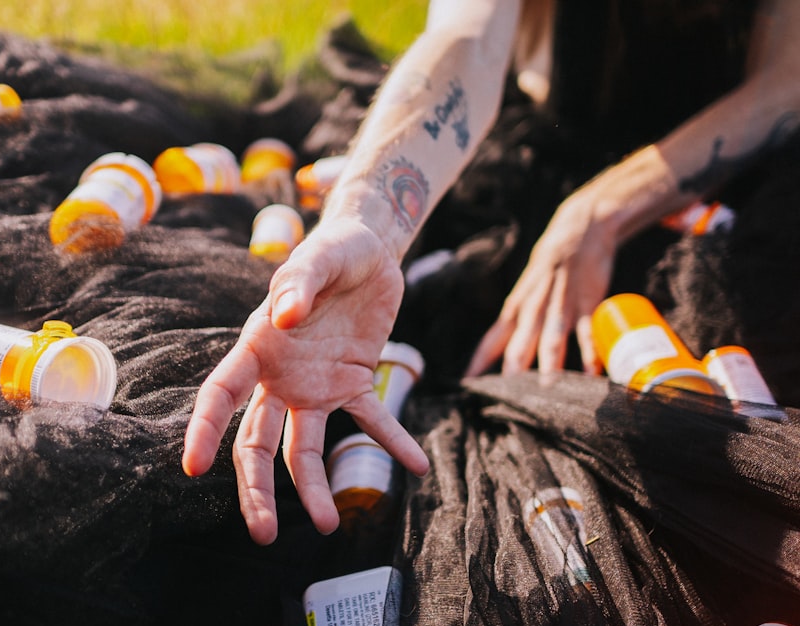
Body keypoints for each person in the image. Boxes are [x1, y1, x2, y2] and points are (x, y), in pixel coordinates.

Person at [183, 0, 800, 545]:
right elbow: (466, 41)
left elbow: (787, 79)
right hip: (537, 158)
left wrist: (599, 212)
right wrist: (367, 221)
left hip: (743, 181)